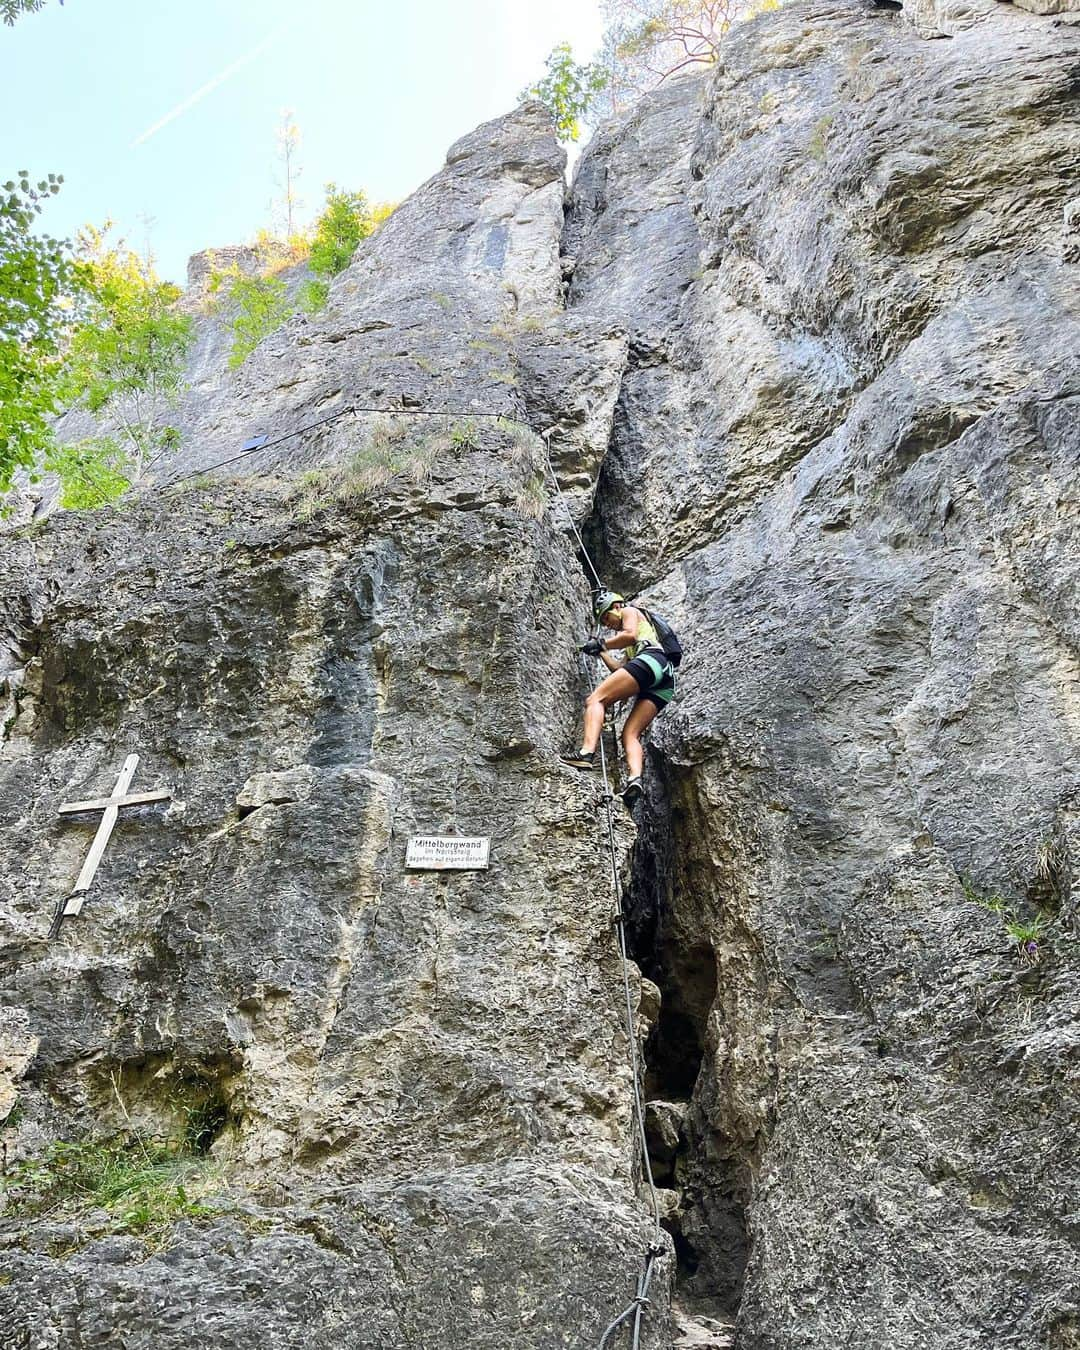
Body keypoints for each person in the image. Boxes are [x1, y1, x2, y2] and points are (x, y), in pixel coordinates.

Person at [561, 590, 675, 805]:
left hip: (651, 661)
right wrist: (601, 652)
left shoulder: (629, 611)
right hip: (663, 679)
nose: (608, 623)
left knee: (595, 700)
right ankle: (635, 779)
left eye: (607, 617)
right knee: (630, 734)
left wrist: (602, 643)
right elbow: (621, 670)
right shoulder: (639, 643)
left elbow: (629, 635)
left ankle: (586, 753)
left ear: (616, 606)